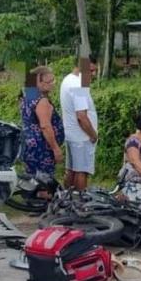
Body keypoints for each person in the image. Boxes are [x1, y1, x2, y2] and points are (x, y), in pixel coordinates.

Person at [21, 66, 64, 191]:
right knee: (44, 180)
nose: (53, 84)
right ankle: (42, 204)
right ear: (38, 82)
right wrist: (56, 149)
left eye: (53, 80)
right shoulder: (42, 101)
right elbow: (45, 126)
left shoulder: (29, 94)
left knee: (33, 177)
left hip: (30, 144)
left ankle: (31, 201)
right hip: (42, 148)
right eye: (49, 82)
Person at [60, 55, 99, 191]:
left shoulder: (67, 79)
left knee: (71, 169)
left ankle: (66, 198)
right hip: (82, 137)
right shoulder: (79, 86)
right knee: (81, 171)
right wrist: (93, 135)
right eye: (91, 70)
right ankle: (80, 201)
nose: (93, 74)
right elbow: (81, 116)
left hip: (71, 134)